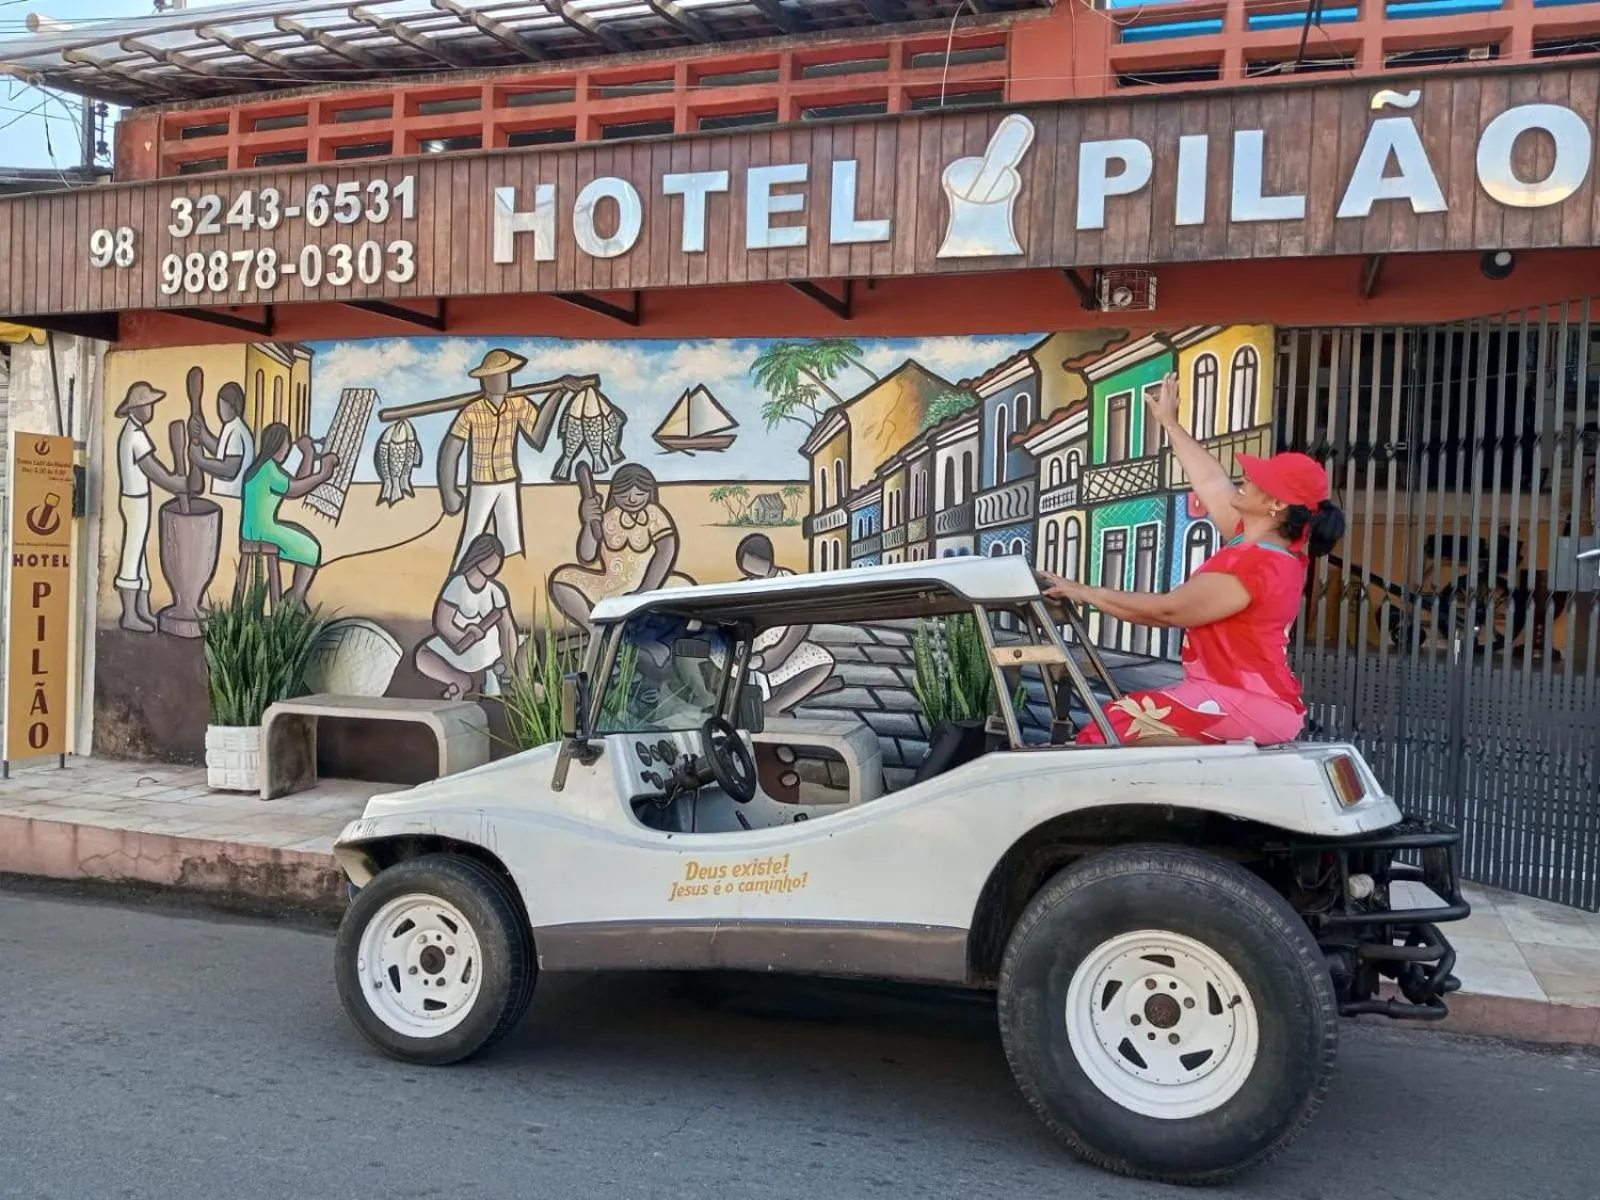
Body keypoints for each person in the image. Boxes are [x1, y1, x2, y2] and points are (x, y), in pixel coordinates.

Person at [1038, 371, 1345, 746]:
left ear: (1276, 504)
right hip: (1245, 698)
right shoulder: (1261, 546)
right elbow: (1212, 481)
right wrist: (1170, 423)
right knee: (1117, 730)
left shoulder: (1257, 565)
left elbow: (1167, 612)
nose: (1245, 478)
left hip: (1243, 701)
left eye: (1256, 479)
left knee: (1112, 727)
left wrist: (1082, 592)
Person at [437, 348, 547, 568]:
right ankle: (456, 581)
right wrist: (449, 491)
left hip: (508, 480)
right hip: (482, 484)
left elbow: (538, 437)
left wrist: (556, 396)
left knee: (512, 542)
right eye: (496, 375)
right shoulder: (472, 411)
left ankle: (515, 582)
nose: (502, 380)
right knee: (472, 537)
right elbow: (451, 449)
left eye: (505, 374)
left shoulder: (519, 405)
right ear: (485, 380)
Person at [548, 463, 688, 632]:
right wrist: (588, 522)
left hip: (650, 584)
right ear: (615, 492)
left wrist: (645, 590)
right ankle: (596, 632)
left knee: (684, 590)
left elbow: (666, 550)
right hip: (610, 586)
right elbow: (587, 556)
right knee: (561, 580)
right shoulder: (608, 517)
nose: (632, 499)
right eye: (625, 493)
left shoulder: (653, 514)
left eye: (639, 493)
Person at [113, 380, 189, 633]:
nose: (151, 410)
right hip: (135, 500)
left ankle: (142, 609)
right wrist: (176, 483)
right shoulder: (135, 435)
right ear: (136, 408)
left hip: (137, 498)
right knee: (132, 554)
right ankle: (130, 614)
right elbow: (153, 470)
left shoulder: (133, 432)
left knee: (141, 553)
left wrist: (174, 482)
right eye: (147, 405)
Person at [735, 533, 839, 715]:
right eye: (747, 568)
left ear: (765, 560)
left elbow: (799, 624)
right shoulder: (745, 586)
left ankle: (774, 707)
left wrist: (773, 656)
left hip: (780, 650)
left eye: (753, 564)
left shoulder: (788, 581)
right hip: (747, 649)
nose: (751, 572)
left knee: (822, 662)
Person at [239, 423, 339, 605]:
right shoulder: (269, 470)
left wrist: (308, 453)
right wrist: (323, 474)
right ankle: (295, 597)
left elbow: (297, 482)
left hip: (256, 529)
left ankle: (295, 597)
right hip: (262, 531)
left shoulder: (264, 467)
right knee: (311, 547)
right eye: (287, 443)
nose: (288, 449)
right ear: (278, 444)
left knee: (305, 541)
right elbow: (295, 489)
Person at [414, 533, 520, 700]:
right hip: (465, 648)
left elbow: (507, 628)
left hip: (488, 652)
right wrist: (463, 636)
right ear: (480, 556)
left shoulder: (494, 591)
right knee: (421, 654)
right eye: (494, 557)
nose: (497, 562)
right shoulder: (460, 585)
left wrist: (510, 662)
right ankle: (463, 681)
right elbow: (442, 622)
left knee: (423, 654)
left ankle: (487, 677)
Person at [188, 381, 253, 499]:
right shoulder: (231, 426)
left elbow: (230, 469)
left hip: (232, 496)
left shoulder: (236, 431)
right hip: (227, 496)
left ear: (232, 407)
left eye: (222, 406)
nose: (219, 411)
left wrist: (201, 461)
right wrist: (203, 433)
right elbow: (221, 451)